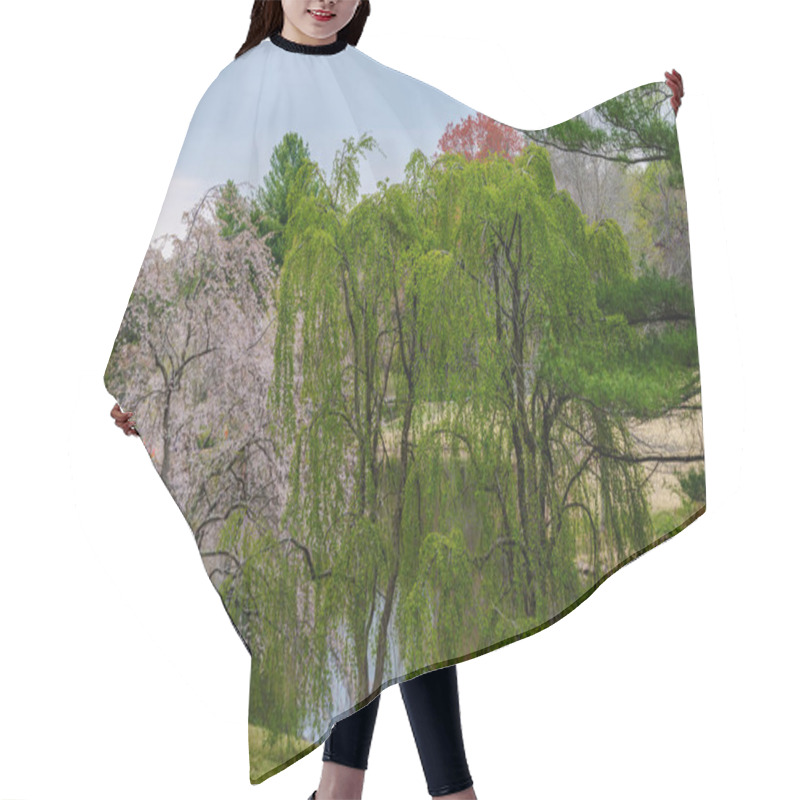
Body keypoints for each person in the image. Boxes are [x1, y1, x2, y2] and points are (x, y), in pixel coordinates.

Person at [109, 3, 685, 798]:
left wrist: (634, 128)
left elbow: (507, 158)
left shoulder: (375, 86)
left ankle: (352, 790)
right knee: (368, 584)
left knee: (404, 578)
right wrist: (151, 372)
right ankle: (424, 792)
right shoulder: (234, 91)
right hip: (294, 404)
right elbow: (185, 240)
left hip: (383, 388)